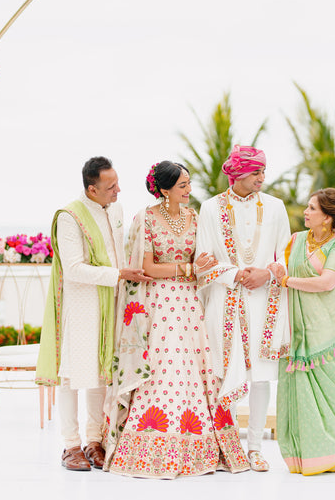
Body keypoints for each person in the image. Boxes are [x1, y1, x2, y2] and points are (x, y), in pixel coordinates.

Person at [103, 161, 249, 479]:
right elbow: (148, 268)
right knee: (162, 367)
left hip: (189, 303)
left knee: (195, 367)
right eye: (183, 185)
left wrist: (204, 265)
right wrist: (188, 269)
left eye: (188, 184)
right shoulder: (146, 218)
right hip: (159, 303)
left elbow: (201, 258)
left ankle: (200, 445)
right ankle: (151, 446)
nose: (189, 190)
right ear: (165, 189)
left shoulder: (194, 217)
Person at [36, 157, 151, 471]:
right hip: (81, 305)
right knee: (73, 375)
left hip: (111, 303)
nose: (118, 191)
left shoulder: (115, 208)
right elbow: (73, 269)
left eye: (117, 183)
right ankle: (70, 445)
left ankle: (94, 441)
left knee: (101, 372)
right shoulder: (70, 217)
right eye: (110, 187)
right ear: (91, 188)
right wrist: (119, 274)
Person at [195, 145, 291, 472]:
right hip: (225, 301)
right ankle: (229, 447)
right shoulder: (210, 209)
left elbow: (286, 256)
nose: (263, 178)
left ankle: (255, 449)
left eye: (264, 172)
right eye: (256, 173)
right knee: (225, 373)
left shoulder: (276, 208)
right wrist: (233, 273)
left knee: (261, 376)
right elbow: (203, 260)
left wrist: (267, 273)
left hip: (265, 300)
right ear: (237, 175)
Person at [271, 188, 335, 476]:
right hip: (299, 329)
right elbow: (279, 267)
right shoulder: (296, 240)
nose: (305, 212)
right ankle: (308, 458)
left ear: (327, 218)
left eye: (312, 208)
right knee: (302, 393)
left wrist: (288, 280)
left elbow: (327, 282)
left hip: (328, 328)